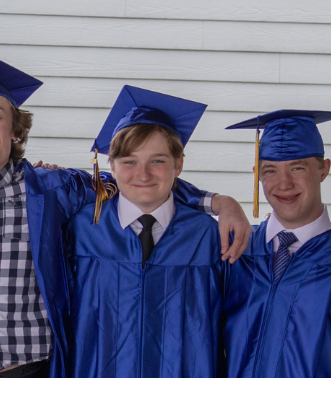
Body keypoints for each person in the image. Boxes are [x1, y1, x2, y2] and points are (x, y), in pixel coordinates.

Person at [0, 50, 247, 378]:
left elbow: (137, 182)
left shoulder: (55, 190)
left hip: (32, 373)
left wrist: (215, 201)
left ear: (16, 129)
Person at [67, 85, 225, 378]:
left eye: (157, 161)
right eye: (129, 161)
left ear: (178, 165)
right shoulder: (82, 230)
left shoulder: (207, 236)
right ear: (111, 167)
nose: (143, 174)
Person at [220, 110, 331, 378]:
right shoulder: (236, 251)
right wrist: (219, 202)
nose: (284, 183)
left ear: (324, 169)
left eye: (297, 167)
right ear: (257, 174)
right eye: (270, 170)